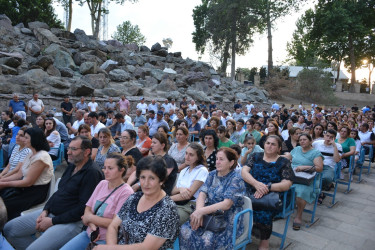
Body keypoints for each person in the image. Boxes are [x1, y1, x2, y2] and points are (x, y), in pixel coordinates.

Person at [4, 136, 103, 249]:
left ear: (87, 152)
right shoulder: (72, 166)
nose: (68, 152)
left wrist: (52, 221)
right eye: (68, 148)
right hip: (51, 213)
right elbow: (58, 192)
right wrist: (45, 210)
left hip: (71, 222)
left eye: (73, 149)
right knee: (9, 230)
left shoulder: (92, 173)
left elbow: (83, 208)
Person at [95, 156, 179, 249]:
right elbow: (113, 226)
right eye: (142, 177)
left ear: (161, 180)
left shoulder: (168, 209)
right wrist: (111, 247)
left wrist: (109, 248)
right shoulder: (134, 198)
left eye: (152, 178)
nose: (146, 183)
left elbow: (147, 247)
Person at [60, 153, 134, 249]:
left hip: (106, 239)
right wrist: (93, 227)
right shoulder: (102, 183)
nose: (105, 171)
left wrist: (89, 219)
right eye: (104, 168)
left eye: (110, 168)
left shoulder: (126, 192)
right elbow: (88, 208)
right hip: (91, 233)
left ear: (121, 170)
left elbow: (115, 223)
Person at [180, 147, 245, 249]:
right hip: (209, 214)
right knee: (185, 230)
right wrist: (199, 211)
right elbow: (202, 193)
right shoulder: (212, 174)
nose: (217, 162)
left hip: (226, 218)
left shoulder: (236, 179)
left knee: (207, 239)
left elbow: (226, 204)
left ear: (231, 163)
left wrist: (201, 212)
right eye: (217, 159)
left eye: (221, 159)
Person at [241, 136, 293, 250]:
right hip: (252, 189)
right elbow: (244, 171)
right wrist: (255, 184)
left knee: (264, 211)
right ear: (264, 144)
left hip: (273, 194)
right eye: (268, 143)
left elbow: (287, 183)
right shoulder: (255, 156)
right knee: (235, 203)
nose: (269, 146)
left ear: (279, 148)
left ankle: (264, 242)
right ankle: (241, 233)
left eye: (273, 144)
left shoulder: (283, 161)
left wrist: (267, 188)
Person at [0, 128, 53, 221]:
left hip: (34, 192)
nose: (23, 139)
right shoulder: (31, 153)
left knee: (5, 204)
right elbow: (19, 175)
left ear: (35, 139)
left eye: (26, 137)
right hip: (26, 188)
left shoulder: (41, 157)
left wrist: (4, 184)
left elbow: (27, 182)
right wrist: (2, 180)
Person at [285, 133, 323, 230]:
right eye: (300, 140)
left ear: (310, 141)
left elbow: (319, 168)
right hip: (293, 175)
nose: (302, 141)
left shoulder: (315, 153)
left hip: (307, 179)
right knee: (278, 184)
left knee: (300, 192)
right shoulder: (297, 149)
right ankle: (282, 210)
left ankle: (299, 215)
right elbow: (287, 157)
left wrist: (304, 167)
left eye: (304, 139)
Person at [170, 143, 209, 225]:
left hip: (191, 205)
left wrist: (167, 199)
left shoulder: (202, 170)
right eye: (186, 153)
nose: (187, 157)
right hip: (177, 203)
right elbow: (173, 191)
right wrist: (181, 189)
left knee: (169, 220)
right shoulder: (184, 171)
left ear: (198, 157)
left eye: (191, 155)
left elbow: (189, 195)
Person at [312, 129, 342, 204]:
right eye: (327, 136)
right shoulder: (316, 143)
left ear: (334, 138)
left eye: (331, 137)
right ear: (324, 136)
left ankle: (318, 192)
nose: (328, 138)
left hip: (328, 166)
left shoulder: (338, 146)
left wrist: (334, 146)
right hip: (316, 164)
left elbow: (337, 160)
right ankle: (319, 193)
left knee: (327, 178)